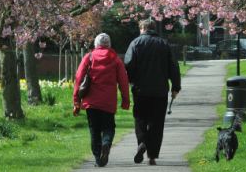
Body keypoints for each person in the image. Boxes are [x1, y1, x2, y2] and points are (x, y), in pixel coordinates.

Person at [124, 18, 181, 166]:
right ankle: (152, 155)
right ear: (153, 28)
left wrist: (130, 81)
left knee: (140, 118)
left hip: (140, 90)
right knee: (157, 123)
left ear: (142, 28)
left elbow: (128, 64)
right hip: (160, 91)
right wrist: (175, 87)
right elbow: (173, 67)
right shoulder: (164, 44)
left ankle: (142, 142)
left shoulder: (135, 43)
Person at [73, 33, 130, 167]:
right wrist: (125, 101)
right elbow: (123, 81)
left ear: (96, 44)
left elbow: (78, 79)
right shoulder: (116, 60)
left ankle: (98, 158)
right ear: (109, 45)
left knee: (94, 130)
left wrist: (76, 101)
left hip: (91, 102)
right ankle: (106, 144)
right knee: (109, 128)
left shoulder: (89, 57)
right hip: (108, 102)